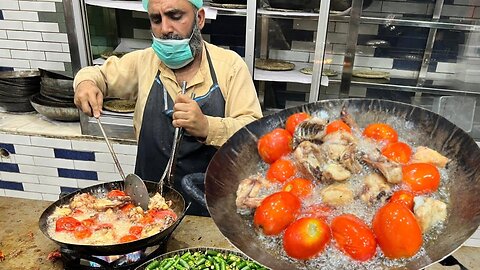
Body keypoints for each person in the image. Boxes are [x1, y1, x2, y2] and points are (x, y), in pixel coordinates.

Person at [73, 0, 262, 216]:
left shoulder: (230, 66)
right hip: (148, 209)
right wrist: (85, 84)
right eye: (156, 19)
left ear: (199, 18)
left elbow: (253, 133)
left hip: (211, 211)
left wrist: (208, 127)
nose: (165, 29)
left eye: (175, 16)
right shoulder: (144, 62)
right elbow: (97, 75)